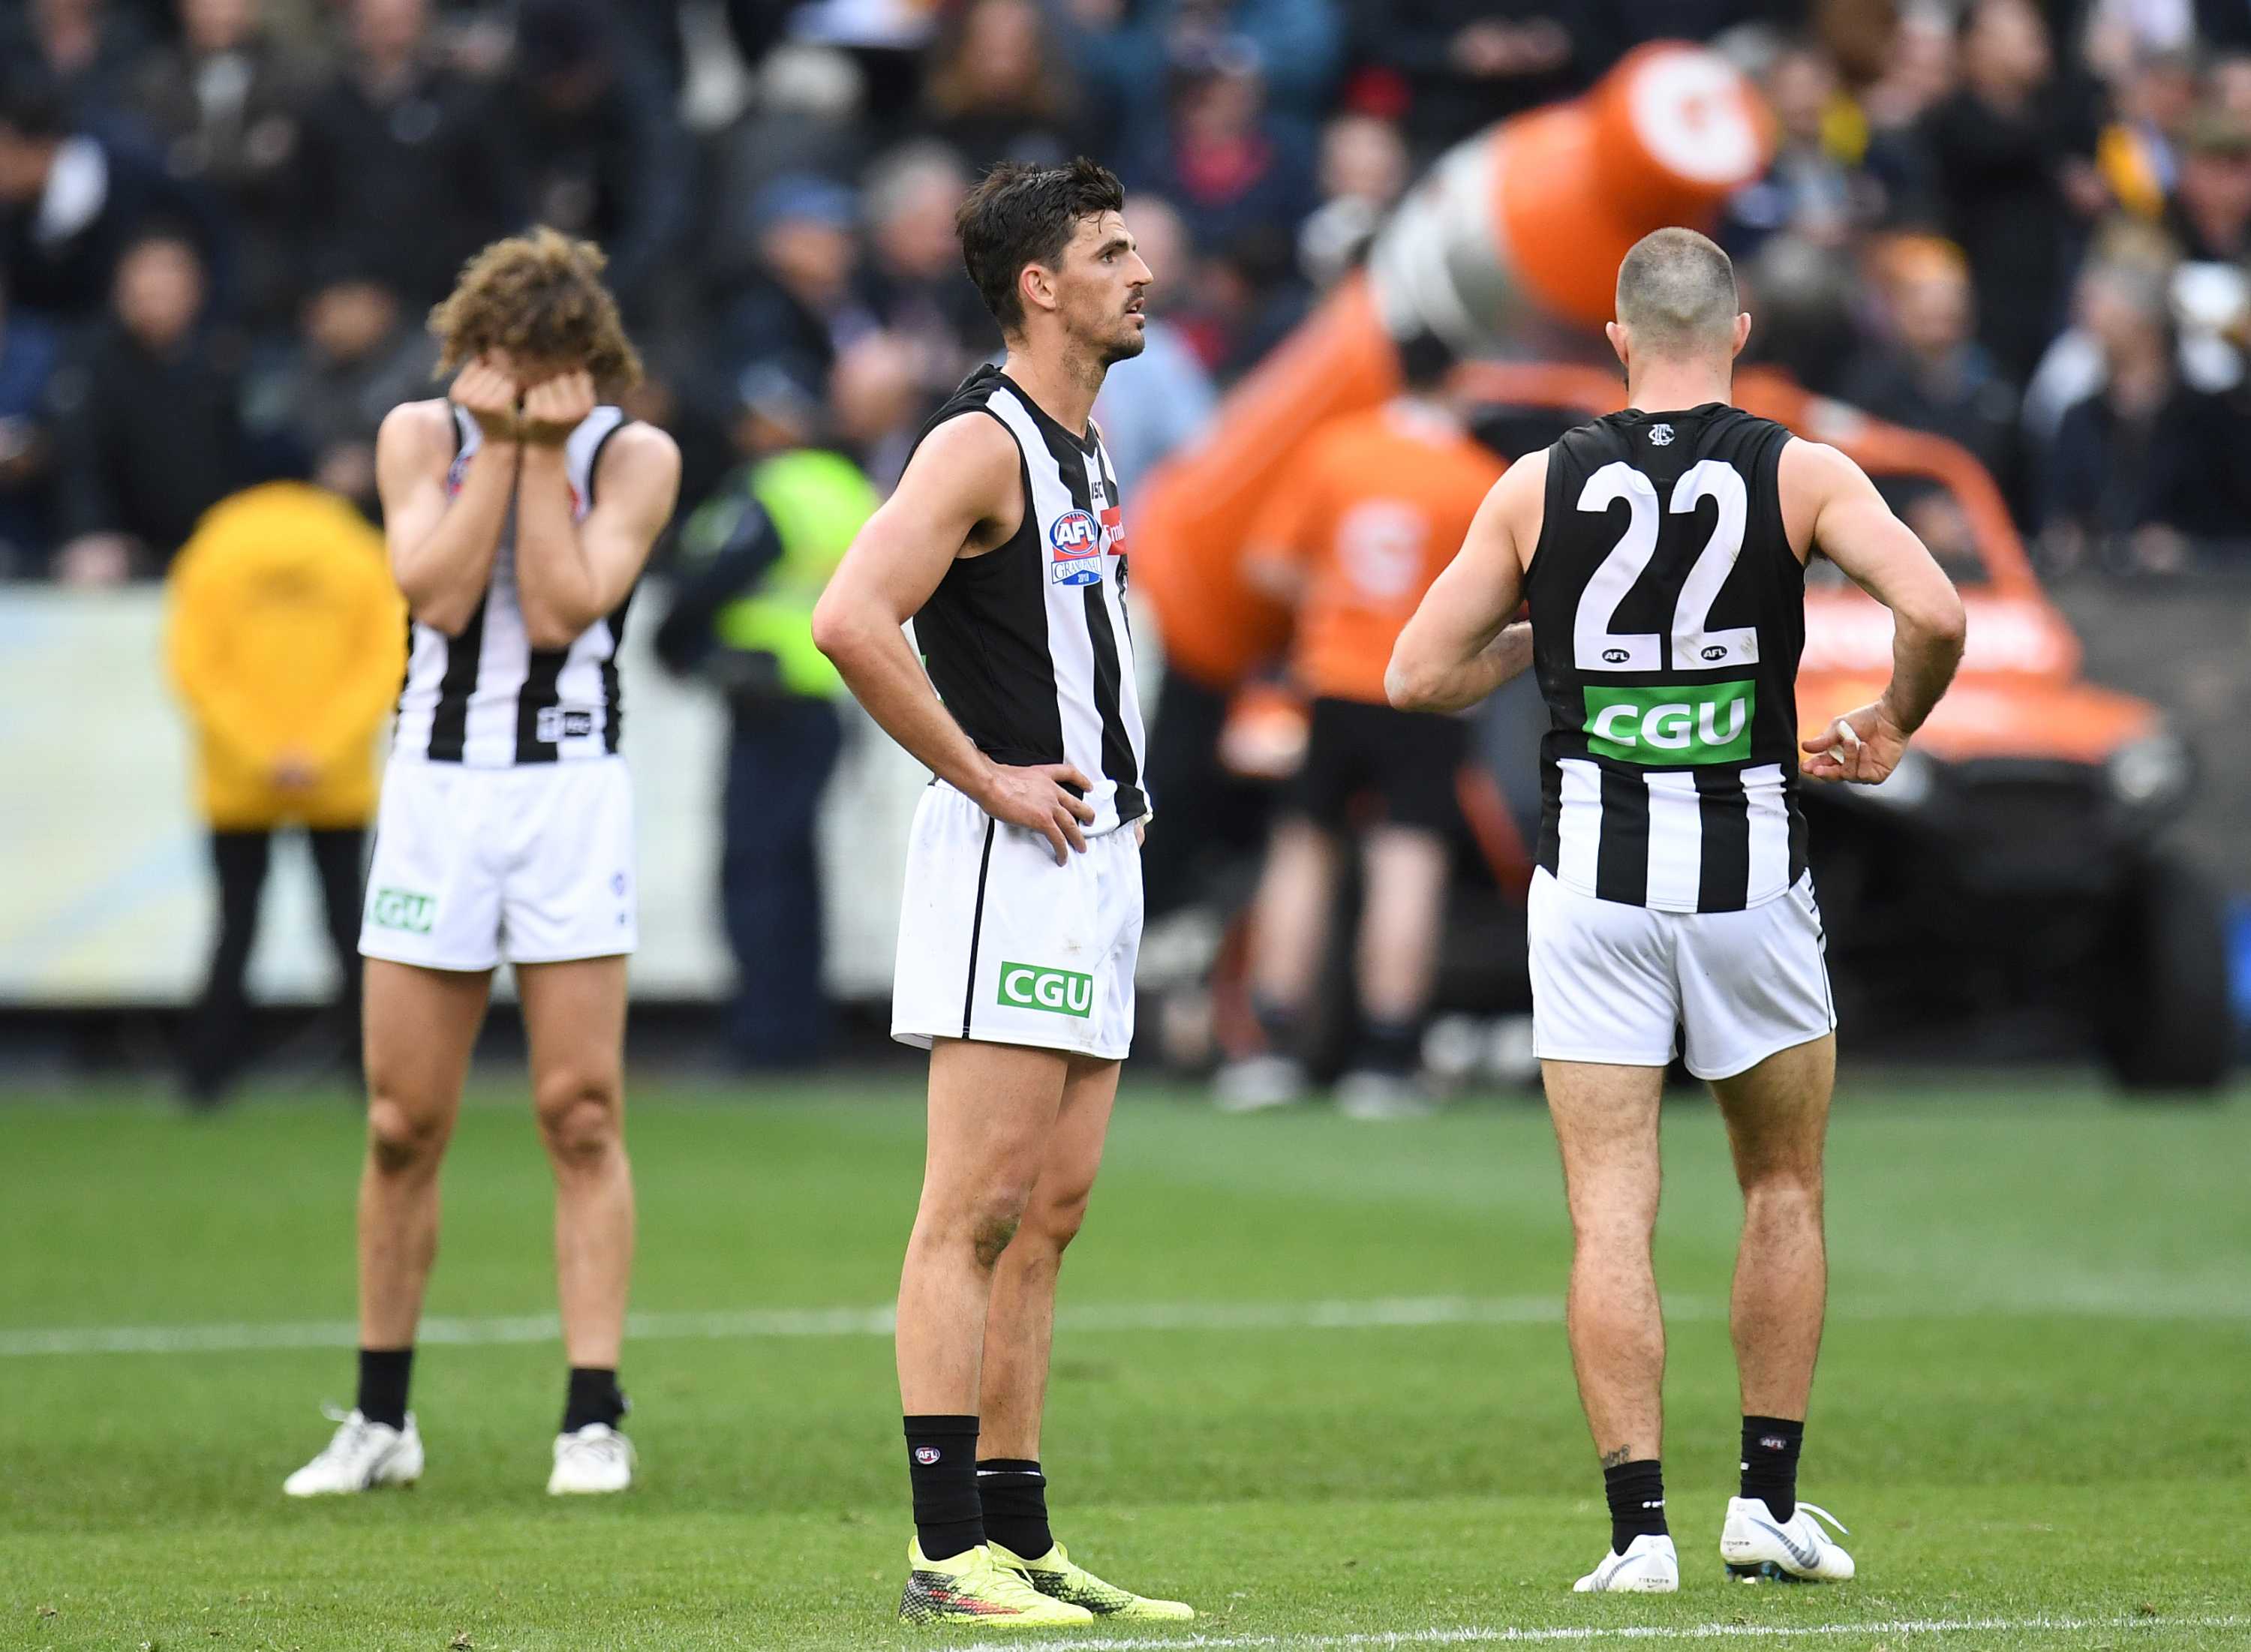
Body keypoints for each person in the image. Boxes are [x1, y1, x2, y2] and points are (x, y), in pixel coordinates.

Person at [1387, 228, 1966, 1591]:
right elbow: (1935, 610)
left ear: (1616, 338)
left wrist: (1547, 637)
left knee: (1609, 1212)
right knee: (1781, 1185)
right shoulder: (1802, 468)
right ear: (1742, 331)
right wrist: (1888, 720)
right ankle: (1765, 1504)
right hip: (1750, 876)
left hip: (1591, 878)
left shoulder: (1537, 484)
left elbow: (1417, 673)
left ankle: (1636, 1532)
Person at [812, 158, 1193, 1628]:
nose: (1140, 271)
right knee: (968, 1211)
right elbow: (851, 619)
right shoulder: (983, 443)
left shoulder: (1085, 446)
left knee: (1050, 1214)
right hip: (1010, 861)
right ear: (1040, 285)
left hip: (1095, 862)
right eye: (1111, 253)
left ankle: (1022, 1540)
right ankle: (941, 1552)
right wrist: (989, 779)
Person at [281, 230, 681, 1500]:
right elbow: (438, 595)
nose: (517, 384)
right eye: (499, 360)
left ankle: (591, 1416)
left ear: (586, 362)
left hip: (569, 796)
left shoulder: (635, 455)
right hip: (438, 798)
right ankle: (383, 1417)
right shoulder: (416, 437)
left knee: (580, 1110)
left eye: (544, 362)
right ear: (469, 352)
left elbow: (565, 607)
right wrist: (499, 454)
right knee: (402, 1122)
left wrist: (534, 453)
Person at [1216, 350, 1503, 1118]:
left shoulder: (1337, 452)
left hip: (1333, 680)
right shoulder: (1476, 477)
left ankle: (1270, 1044)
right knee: (1408, 862)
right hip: (1427, 690)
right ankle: (1386, 1053)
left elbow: (1268, 564)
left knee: (1303, 852)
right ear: (1458, 381)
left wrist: (1333, 601)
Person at [654, 366, 878, 1068]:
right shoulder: (847, 487)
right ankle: (799, 1029)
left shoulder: (769, 491)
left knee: (755, 870)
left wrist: (676, 647)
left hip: (770, 698)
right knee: (795, 869)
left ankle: (760, 1035)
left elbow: (706, 581)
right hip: (827, 699)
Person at [164, 481, 405, 1106]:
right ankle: (374, 1075)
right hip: (338, 778)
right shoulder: (358, 550)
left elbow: (194, 667)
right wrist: (320, 751)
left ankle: (206, 1080)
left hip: (238, 781)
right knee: (352, 929)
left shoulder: (213, 550)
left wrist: (261, 754)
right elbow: (384, 661)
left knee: (235, 926)